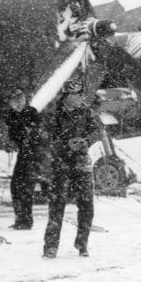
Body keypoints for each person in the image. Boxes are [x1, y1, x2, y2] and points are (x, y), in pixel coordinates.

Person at [43, 80, 102, 258]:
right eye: (74, 95)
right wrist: (65, 145)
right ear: (66, 96)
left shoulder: (86, 111)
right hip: (60, 164)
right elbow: (45, 138)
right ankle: (51, 247)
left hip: (82, 163)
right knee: (56, 206)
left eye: (79, 94)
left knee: (86, 206)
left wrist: (86, 142)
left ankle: (82, 243)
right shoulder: (53, 113)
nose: (78, 98)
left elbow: (97, 131)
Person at [4, 87, 43, 229]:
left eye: (20, 99)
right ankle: (20, 218)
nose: (18, 103)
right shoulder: (10, 115)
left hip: (34, 154)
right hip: (23, 154)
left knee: (25, 187)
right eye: (15, 100)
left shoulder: (32, 112)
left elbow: (36, 132)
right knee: (16, 186)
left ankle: (26, 220)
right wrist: (11, 143)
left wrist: (27, 134)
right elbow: (13, 135)